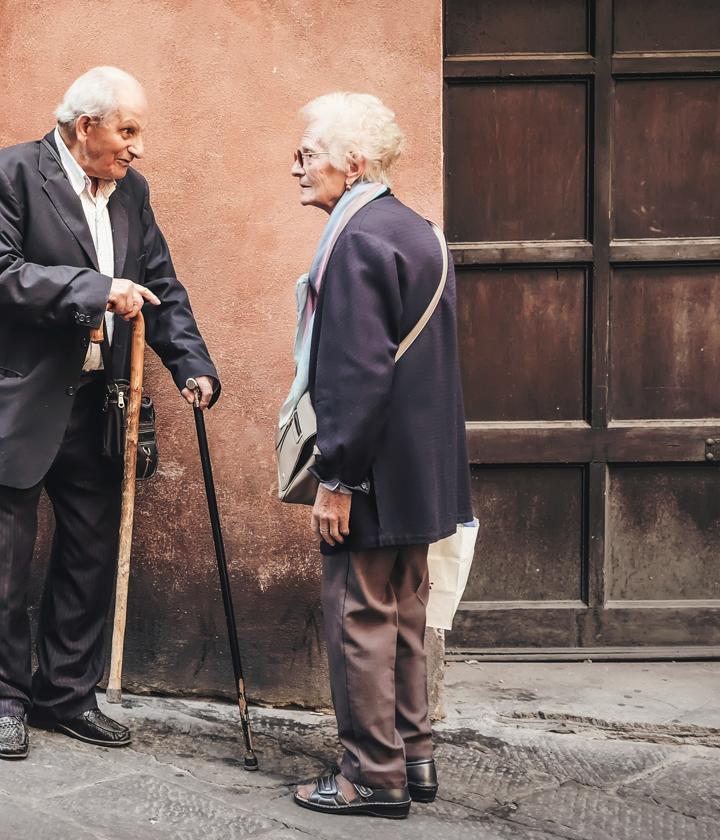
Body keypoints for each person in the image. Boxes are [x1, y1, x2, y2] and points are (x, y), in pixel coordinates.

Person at [0, 66, 221, 761]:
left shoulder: (133, 194)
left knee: (90, 557)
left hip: (96, 405)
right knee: (0, 566)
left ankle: (65, 694)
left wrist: (192, 364)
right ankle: (3, 699)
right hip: (9, 403)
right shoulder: (6, 175)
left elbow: (160, 284)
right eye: (128, 130)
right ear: (84, 125)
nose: (137, 147)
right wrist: (96, 289)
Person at [284, 93, 473, 819]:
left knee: (359, 616)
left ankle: (371, 776)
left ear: (353, 163)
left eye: (309, 154)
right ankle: (414, 755)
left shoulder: (357, 239)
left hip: (372, 473)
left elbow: (356, 373)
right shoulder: (419, 230)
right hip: (420, 472)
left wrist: (338, 477)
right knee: (403, 614)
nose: (296, 166)